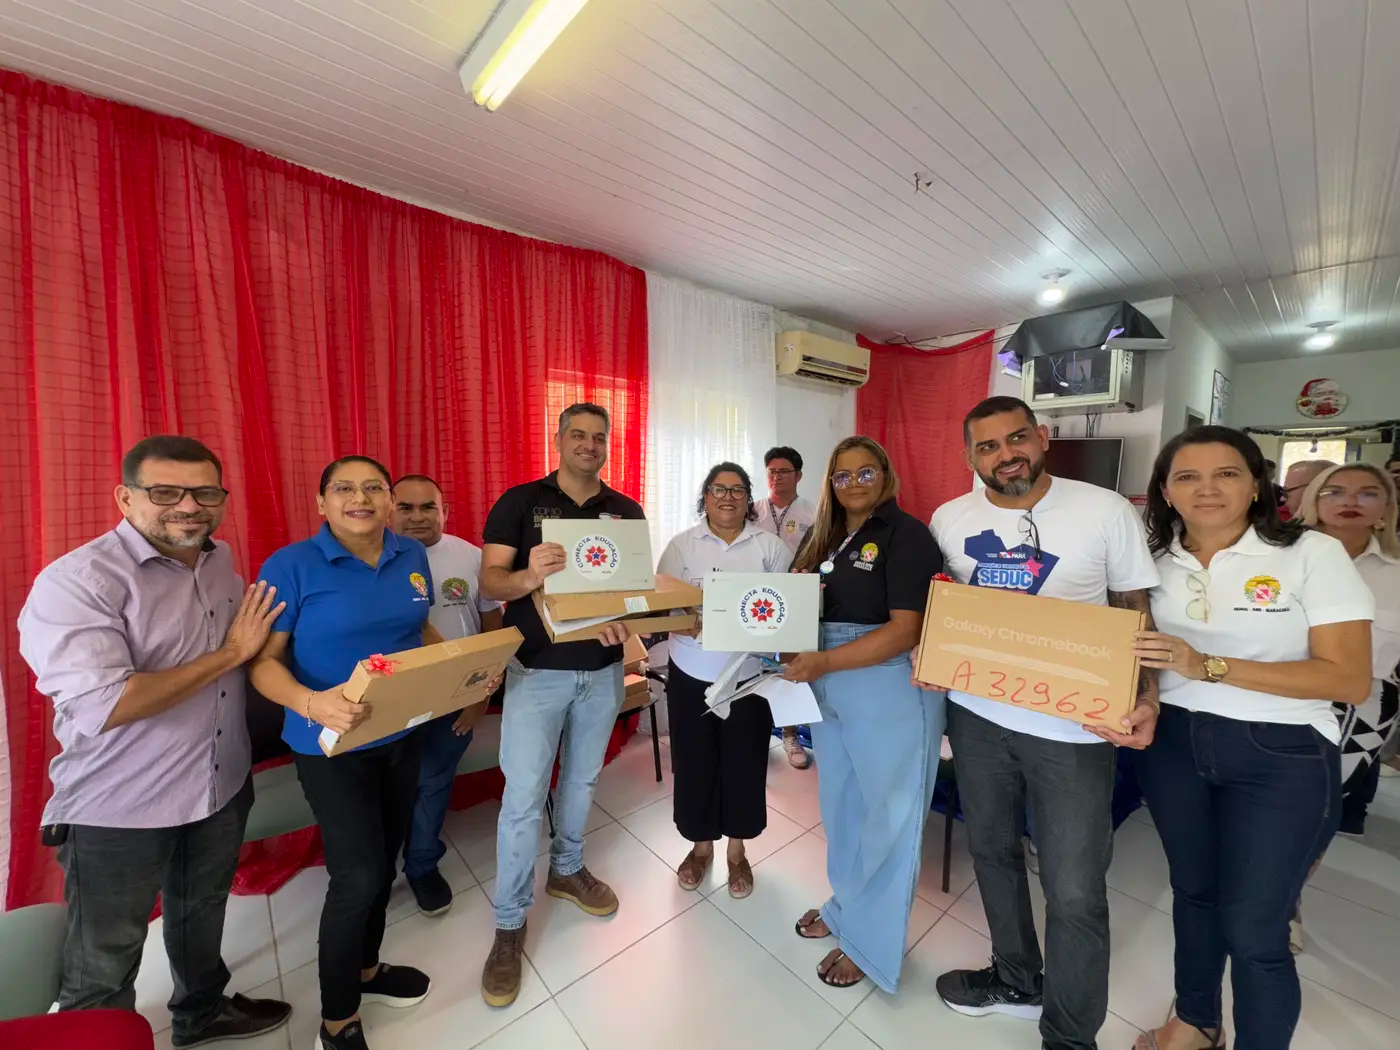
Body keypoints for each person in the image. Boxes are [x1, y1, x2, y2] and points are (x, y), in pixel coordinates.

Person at [17, 436, 293, 1048]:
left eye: (204, 493)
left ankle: (201, 1014)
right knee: (104, 956)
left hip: (218, 784)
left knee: (202, 911)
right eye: (165, 492)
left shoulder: (218, 560)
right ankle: (97, 1037)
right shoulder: (77, 582)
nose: (188, 507)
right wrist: (231, 654)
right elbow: (107, 703)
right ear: (125, 497)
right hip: (120, 806)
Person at [924, 396, 1161, 1050]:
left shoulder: (1105, 511)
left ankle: (1069, 1037)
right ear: (970, 457)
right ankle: (1015, 978)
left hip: (1074, 732)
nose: (1006, 456)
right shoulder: (950, 518)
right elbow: (943, 605)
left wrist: (1148, 696)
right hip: (977, 718)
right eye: (987, 447)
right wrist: (931, 652)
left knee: (1075, 889)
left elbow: (1135, 610)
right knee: (992, 854)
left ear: (1043, 436)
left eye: (1016, 438)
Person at [1131, 426, 1374, 1050]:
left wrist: (1207, 665)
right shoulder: (1152, 561)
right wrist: (1146, 701)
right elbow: (1143, 656)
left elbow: (1349, 679)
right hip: (1175, 744)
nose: (1207, 489)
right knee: (1194, 894)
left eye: (1227, 474)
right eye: (1187, 477)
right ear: (1165, 491)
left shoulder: (1311, 553)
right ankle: (1196, 1021)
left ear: (1257, 485)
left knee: (1255, 928)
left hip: (1282, 752)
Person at [251, 456, 442, 1050]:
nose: (360, 498)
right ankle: (337, 1021)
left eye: (373, 487)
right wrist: (312, 703)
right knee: (356, 876)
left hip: (401, 734)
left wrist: (460, 671)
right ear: (321, 502)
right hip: (329, 746)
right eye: (343, 488)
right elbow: (262, 663)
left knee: (384, 861)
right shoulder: (290, 565)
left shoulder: (412, 555)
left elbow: (418, 630)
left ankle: (366, 969)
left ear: (389, 500)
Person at [477, 403, 644, 1008]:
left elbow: (631, 593)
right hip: (537, 671)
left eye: (600, 437)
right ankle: (509, 922)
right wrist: (528, 576)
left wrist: (624, 622)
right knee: (523, 798)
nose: (589, 444)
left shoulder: (625, 510)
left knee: (581, 780)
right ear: (558, 439)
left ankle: (567, 870)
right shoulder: (520, 502)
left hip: (601, 672)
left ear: (607, 445)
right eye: (578, 434)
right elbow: (489, 582)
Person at [784, 436, 944, 992]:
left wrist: (824, 659)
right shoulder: (823, 536)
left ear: (886, 474)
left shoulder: (907, 534)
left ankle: (872, 945)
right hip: (827, 681)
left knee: (891, 818)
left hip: (886, 683)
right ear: (830, 483)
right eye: (843, 475)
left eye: (865, 472)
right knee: (843, 806)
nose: (854, 483)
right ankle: (846, 905)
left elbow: (906, 629)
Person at [657, 463, 791, 897]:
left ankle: (737, 851)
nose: (727, 497)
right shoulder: (682, 546)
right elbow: (662, 606)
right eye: (718, 489)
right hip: (690, 672)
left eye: (737, 490)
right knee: (694, 763)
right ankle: (700, 848)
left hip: (749, 678)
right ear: (705, 497)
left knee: (744, 764)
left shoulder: (769, 547)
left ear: (748, 499)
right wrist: (690, 621)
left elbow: (788, 606)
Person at [391, 475, 504, 915]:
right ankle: (376, 873)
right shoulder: (372, 558)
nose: (417, 517)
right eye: (406, 507)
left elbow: (490, 624)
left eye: (428, 508)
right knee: (385, 788)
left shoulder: (472, 558)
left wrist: (480, 696)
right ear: (389, 510)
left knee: (434, 783)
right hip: (393, 696)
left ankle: (421, 866)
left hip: (457, 695)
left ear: (445, 512)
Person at [1298, 463, 1400, 836]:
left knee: (1322, 804)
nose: (1351, 502)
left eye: (1368, 493)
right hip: (1286, 691)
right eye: (1335, 492)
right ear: (1314, 500)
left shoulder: (1395, 571)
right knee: (1272, 797)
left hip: (1365, 703)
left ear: (1387, 505)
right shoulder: (1280, 558)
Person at [754, 445, 818, 770]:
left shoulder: (813, 513)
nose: (776, 477)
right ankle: (755, 733)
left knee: (791, 667)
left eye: (784, 471)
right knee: (755, 667)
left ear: (799, 475)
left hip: (794, 598)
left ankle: (790, 734)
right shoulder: (751, 511)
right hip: (757, 602)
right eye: (771, 471)